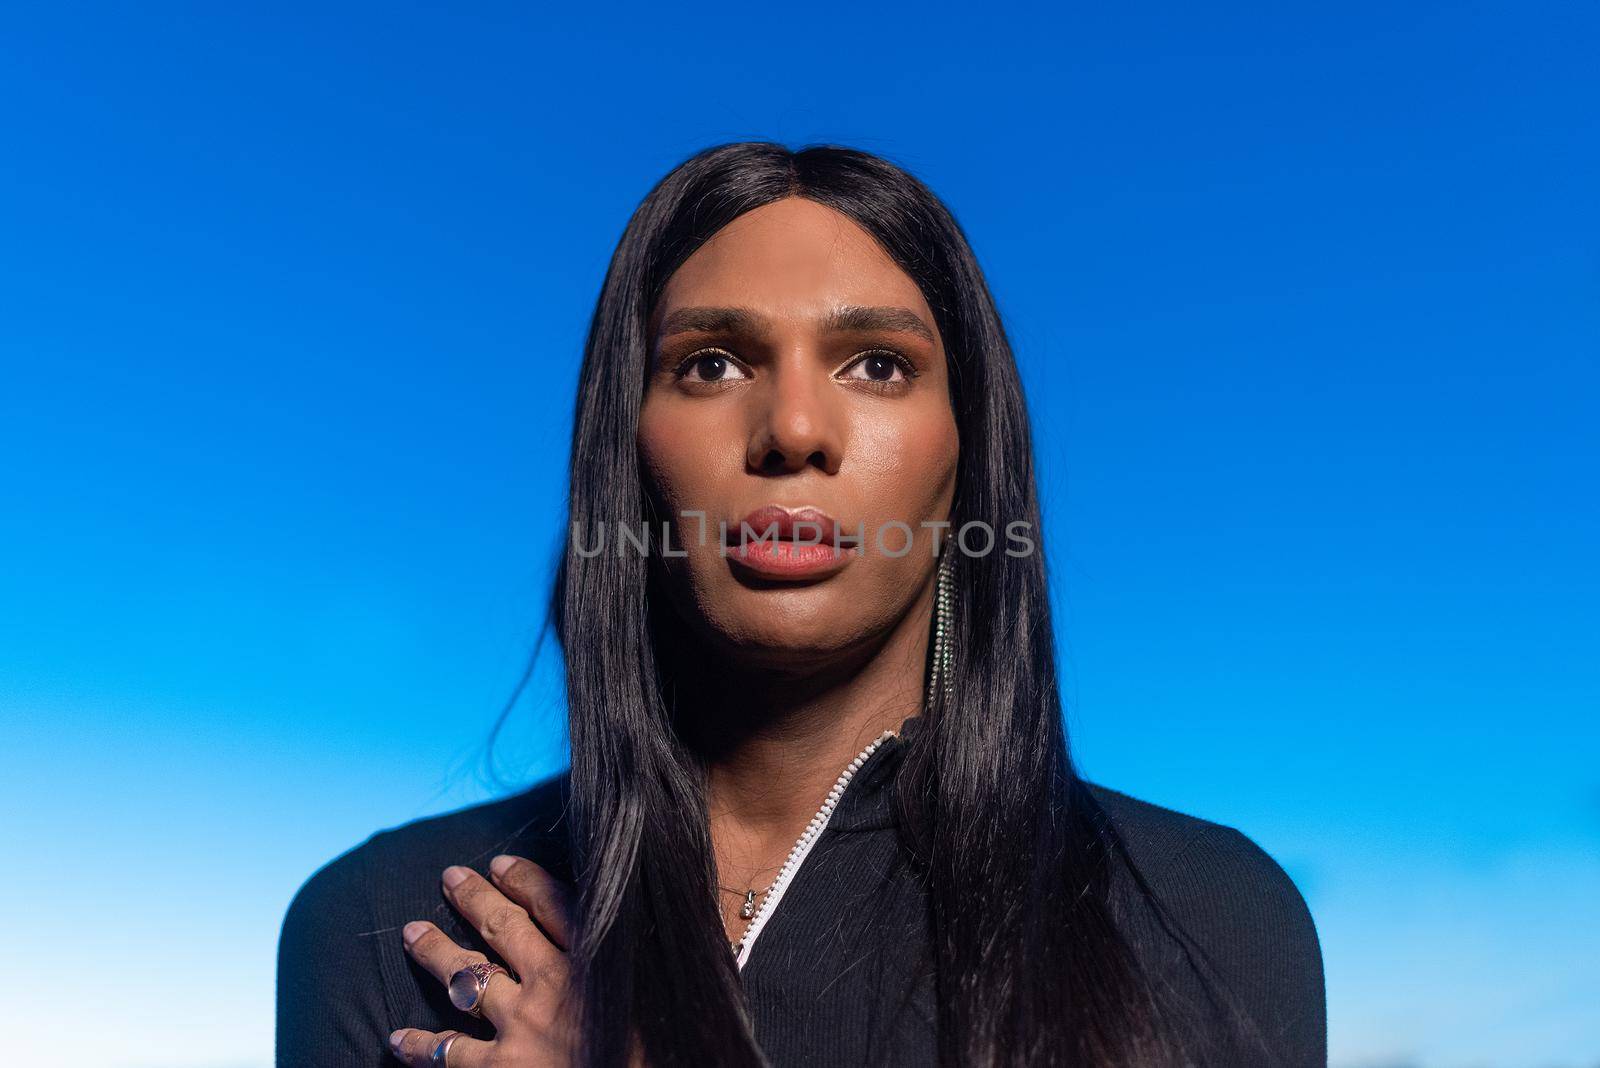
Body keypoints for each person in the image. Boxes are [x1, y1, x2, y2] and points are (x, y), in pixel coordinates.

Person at [276, 141, 1325, 1068]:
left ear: (967, 459)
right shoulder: (388, 921)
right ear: (627, 450)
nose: (791, 427)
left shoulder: (1208, 919)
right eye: (711, 362)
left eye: (876, 364)